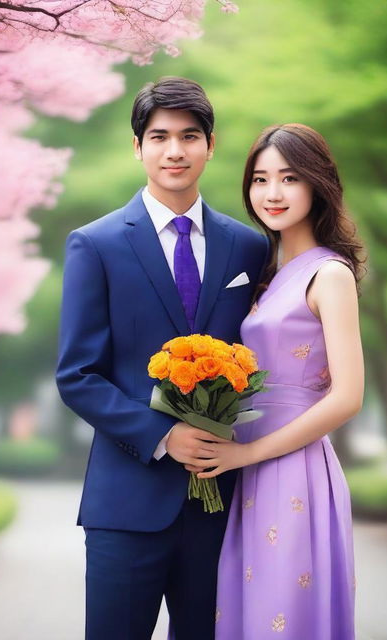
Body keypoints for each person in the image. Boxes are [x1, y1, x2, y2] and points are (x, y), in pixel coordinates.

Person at [55, 77, 268, 640]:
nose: (175, 150)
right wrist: (163, 435)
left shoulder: (249, 246)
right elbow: (77, 375)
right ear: (138, 146)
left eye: (189, 136)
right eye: (159, 137)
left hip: (221, 504)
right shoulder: (95, 244)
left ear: (211, 145)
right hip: (126, 501)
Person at [186, 123, 364, 639]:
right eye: (260, 180)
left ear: (317, 184)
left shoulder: (329, 274)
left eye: (289, 178)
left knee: (280, 616)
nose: (272, 193)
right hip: (248, 471)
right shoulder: (268, 271)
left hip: (294, 469)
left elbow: (348, 397)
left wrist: (244, 454)